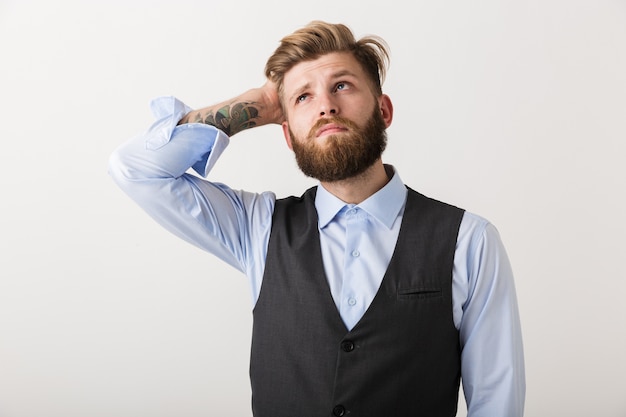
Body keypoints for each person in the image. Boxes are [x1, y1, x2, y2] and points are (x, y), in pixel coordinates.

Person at [109, 20, 525, 417]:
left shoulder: (470, 241)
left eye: (341, 85)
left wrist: (297, 96)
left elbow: (497, 402)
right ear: (287, 135)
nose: (326, 105)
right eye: (304, 98)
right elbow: (136, 169)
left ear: (383, 111)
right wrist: (262, 101)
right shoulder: (257, 228)